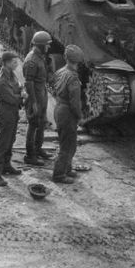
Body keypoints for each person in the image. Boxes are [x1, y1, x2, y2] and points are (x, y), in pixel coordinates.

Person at [51, 45, 85, 184]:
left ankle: (67, 168)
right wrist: (80, 116)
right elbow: (75, 102)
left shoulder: (60, 71)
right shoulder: (73, 77)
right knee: (66, 146)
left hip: (59, 108)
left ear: (66, 57)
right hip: (68, 113)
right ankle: (59, 175)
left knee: (70, 143)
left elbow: (54, 88)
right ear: (79, 60)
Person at [0, 51, 24, 186]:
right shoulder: (1, 80)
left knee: (10, 141)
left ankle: (6, 166)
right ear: (7, 63)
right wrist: (22, 96)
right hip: (5, 114)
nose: (16, 64)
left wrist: (21, 92)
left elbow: (19, 87)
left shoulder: (11, 75)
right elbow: (11, 98)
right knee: (2, 144)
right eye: (14, 62)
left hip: (13, 113)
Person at [23, 31, 53, 166]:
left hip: (42, 94)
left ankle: (38, 149)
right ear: (40, 45)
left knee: (41, 123)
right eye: (47, 45)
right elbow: (28, 83)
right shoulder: (31, 60)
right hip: (35, 96)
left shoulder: (40, 56)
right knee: (33, 125)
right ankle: (30, 155)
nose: (48, 47)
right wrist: (34, 102)